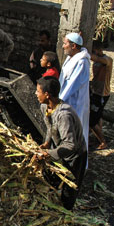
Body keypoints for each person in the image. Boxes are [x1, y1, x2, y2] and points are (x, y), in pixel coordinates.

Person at [36, 76, 87, 210]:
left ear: (47, 95)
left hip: (75, 155)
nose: (36, 94)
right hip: (59, 149)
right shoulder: (44, 107)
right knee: (50, 178)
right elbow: (50, 127)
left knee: (69, 190)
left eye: (38, 91)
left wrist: (48, 153)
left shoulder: (64, 115)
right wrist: (47, 142)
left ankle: (66, 213)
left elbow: (70, 145)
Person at [59, 32, 90, 147]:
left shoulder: (81, 62)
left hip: (74, 104)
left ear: (73, 46)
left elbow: (71, 85)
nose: (63, 46)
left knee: (73, 132)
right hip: (66, 101)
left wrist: (58, 101)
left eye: (65, 43)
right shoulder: (71, 58)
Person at [89, 41, 113, 150]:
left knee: (92, 120)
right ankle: (97, 136)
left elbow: (96, 59)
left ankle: (103, 142)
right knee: (97, 116)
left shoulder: (107, 60)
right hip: (95, 91)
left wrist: (83, 50)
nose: (93, 53)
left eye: (94, 51)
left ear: (98, 50)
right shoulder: (98, 60)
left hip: (102, 94)